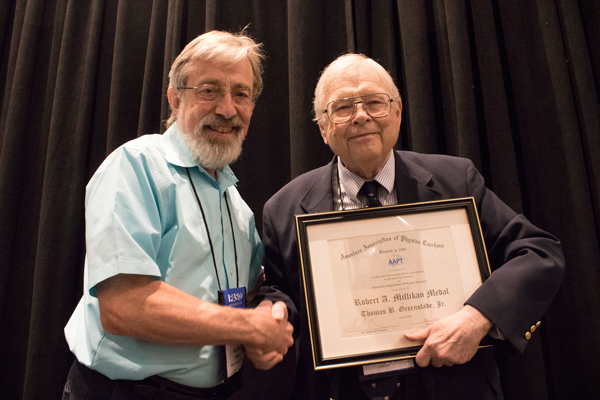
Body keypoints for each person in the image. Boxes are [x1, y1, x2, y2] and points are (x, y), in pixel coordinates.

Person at [260, 53, 565, 399]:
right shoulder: (283, 209)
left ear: (398, 111)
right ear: (323, 127)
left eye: (375, 102)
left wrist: (478, 318)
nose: (361, 115)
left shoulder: (457, 181)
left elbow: (538, 252)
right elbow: (281, 297)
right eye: (343, 107)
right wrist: (272, 313)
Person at [63, 30, 294, 400]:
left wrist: (266, 323)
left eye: (241, 94)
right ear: (174, 97)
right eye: (209, 90)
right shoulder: (135, 166)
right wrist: (247, 326)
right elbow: (123, 306)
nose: (227, 109)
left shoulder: (236, 205)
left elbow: (248, 296)